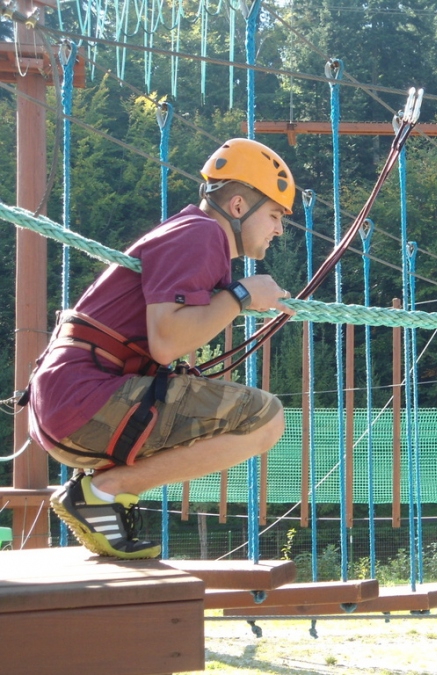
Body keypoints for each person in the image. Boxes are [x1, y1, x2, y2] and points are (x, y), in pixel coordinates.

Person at [26, 138, 297, 559]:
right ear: (239, 206)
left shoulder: (191, 236)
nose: (279, 228)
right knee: (265, 419)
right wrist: (242, 294)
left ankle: (102, 494)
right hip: (83, 399)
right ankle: (104, 491)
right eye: (276, 214)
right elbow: (168, 341)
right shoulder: (202, 235)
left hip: (68, 401)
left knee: (252, 416)